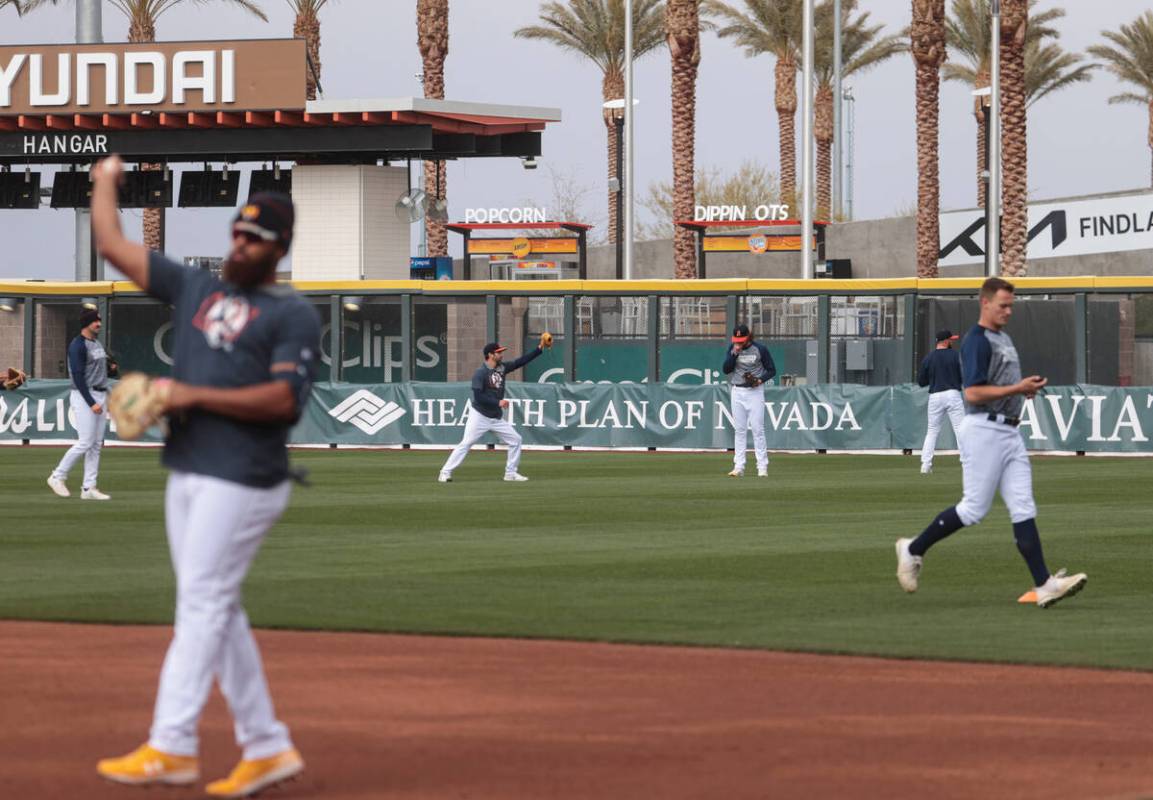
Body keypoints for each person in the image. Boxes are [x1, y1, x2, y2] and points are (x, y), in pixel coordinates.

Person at [91, 154, 319, 798]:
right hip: (189, 468)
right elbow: (111, 242)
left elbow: (282, 402)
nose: (240, 244)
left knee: (201, 603)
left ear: (278, 250)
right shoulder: (198, 287)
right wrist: (104, 182)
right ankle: (267, 746)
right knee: (217, 606)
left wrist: (187, 394)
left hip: (245, 476)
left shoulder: (290, 314)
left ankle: (172, 745)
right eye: (237, 232)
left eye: (255, 239)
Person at [895, 277, 1087, 609]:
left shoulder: (1003, 338)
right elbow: (972, 392)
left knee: (1024, 507)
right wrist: (1016, 389)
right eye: (1003, 305)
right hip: (983, 429)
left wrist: (1024, 388)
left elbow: (1000, 383)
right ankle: (912, 550)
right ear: (985, 303)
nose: (1008, 311)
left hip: (1010, 430)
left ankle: (1044, 585)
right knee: (974, 508)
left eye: (1011, 305)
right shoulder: (976, 341)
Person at [438, 337, 549, 483]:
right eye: (498, 352)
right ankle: (445, 473)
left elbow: (521, 361)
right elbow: (478, 397)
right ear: (490, 355)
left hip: (495, 417)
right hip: (479, 415)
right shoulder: (480, 373)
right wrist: (498, 402)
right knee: (466, 443)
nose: (501, 354)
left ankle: (510, 473)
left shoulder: (501, 368)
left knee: (516, 440)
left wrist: (539, 348)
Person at [47, 308, 111, 500]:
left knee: (96, 444)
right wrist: (91, 402)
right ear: (86, 324)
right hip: (85, 396)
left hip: (100, 393)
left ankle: (88, 488)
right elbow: (78, 376)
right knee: (85, 442)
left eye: (99, 321)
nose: (98, 324)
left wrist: (112, 370)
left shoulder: (96, 343)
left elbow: (99, 370)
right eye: (95, 321)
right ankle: (57, 476)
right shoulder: (78, 345)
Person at [722, 323, 776, 478]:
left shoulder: (760, 349)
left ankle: (762, 467)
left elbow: (772, 370)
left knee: (758, 429)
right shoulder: (733, 349)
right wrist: (734, 354)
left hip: (755, 391)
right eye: (737, 339)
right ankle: (739, 466)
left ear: (748, 337)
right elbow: (726, 369)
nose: (739, 342)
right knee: (739, 430)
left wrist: (760, 380)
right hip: (737, 390)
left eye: (742, 340)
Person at [917, 329, 965, 474]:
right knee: (961, 430)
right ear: (945, 341)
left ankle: (925, 465)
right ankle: (967, 464)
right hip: (953, 394)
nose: (952, 341)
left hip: (935, 395)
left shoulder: (929, 358)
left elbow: (921, 382)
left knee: (932, 431)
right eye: (950, 339)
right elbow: (964, 376)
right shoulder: (956, 356)